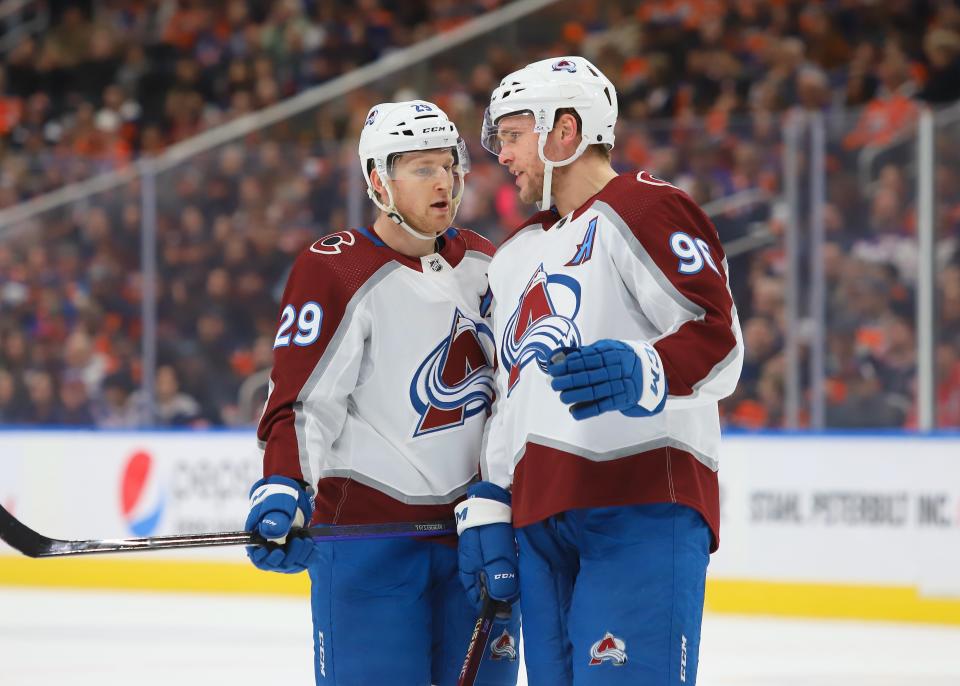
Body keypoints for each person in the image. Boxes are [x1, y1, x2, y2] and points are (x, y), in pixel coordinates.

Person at [455, 56, 744, 685]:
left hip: (637, 503)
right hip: (539, 520)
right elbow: (514, 393)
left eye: (512, 135)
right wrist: (492, 500)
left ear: (565, 130)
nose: (501, 155)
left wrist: (645, 369)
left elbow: (718, 342)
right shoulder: (514, 257)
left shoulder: (645, 206)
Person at [245, 100, 521, 686]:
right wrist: (285, 483)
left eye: (448, 164)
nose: (444, 180)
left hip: (474, 542)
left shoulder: (484, 262)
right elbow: (301, 402)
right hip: (369, 545)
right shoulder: (336, 270)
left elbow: (510, 395)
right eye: (421, 168)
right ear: (378, 181)